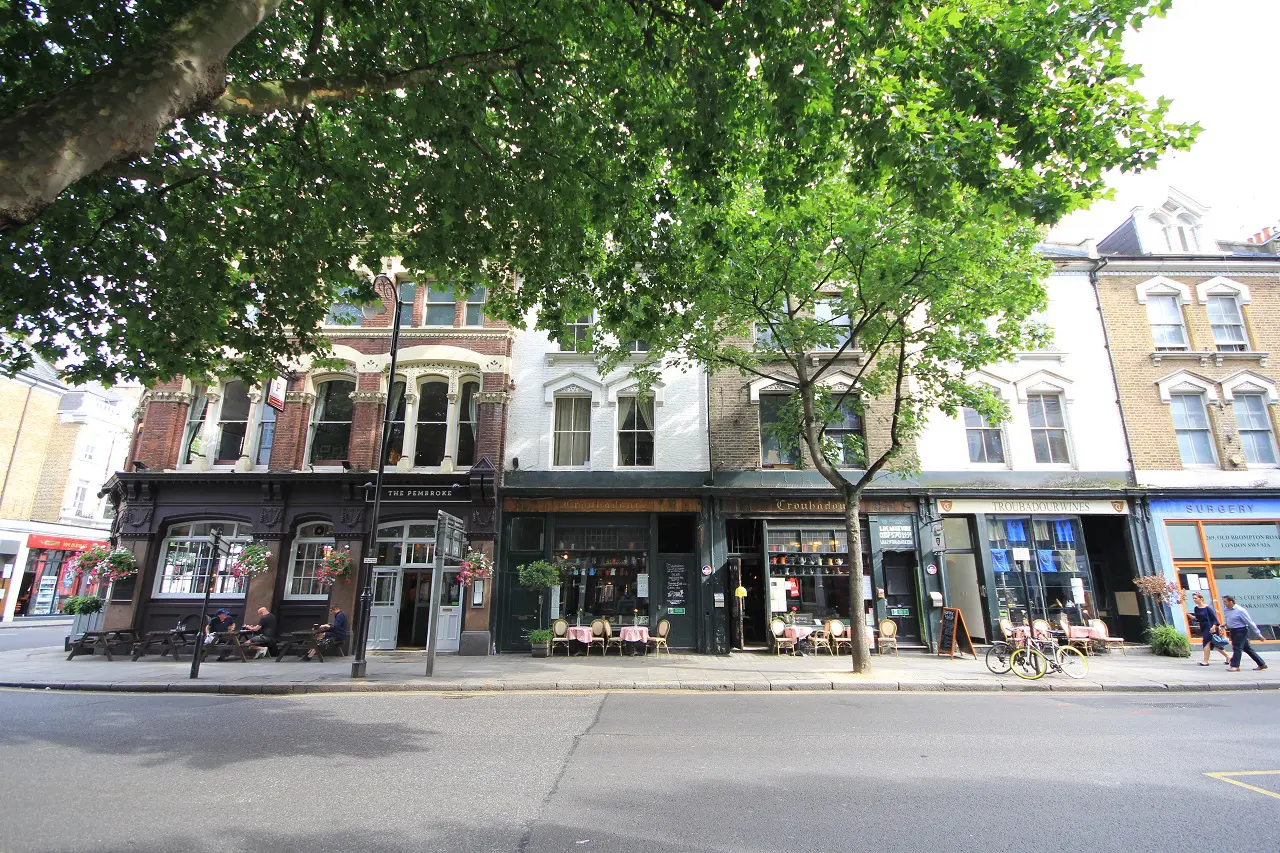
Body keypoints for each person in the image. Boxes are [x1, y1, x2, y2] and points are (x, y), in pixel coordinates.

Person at [1222, 595, 1268, 672]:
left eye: (1225, 601)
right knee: (1247, 648)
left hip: (1241, 630)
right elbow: (1228, 619)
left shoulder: (1240, 610)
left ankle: (1235, 666)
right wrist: (1225, 625)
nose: (1224, 603)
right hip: (1233, 630)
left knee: (1237, 647)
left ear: (1231, 601)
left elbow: (1250, 622)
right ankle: (1261, 664)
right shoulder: (1226, 610)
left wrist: (1258, 634)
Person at [1188, 592, 1231, 666]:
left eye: (1196, 598)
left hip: (1211, 627)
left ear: (1201, 599)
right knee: (1216, 644)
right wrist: (1193, 617)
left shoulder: (1207, 608)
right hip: (1203, 627)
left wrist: (1213, 627)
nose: (1194, 600)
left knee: (1206, 642)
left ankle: (1205, 661)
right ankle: (1228, 657)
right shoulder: (1196, 609)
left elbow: (1215, 619)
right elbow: (1199, 619)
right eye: (1193, 598)